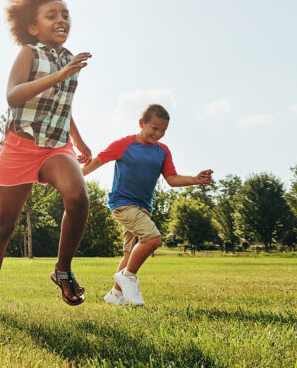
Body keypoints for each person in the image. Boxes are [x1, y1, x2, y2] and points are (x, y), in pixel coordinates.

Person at [0, 0, 93, 313]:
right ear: (34, 27)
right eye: (52, 15)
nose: (62, 19)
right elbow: (13, 96)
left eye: (65, 15)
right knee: (5, 223)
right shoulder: (30, 53)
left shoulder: (69, 59)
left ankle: (63, 269)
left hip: (56, 147)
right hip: (20, 146)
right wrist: (59, 75)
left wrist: (81, 140)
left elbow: (60, 105)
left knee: (77, 197)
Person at [82, 104, 213, 306]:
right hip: (122, 204)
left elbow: (171, 178)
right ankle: (128, 277)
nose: (159, 134)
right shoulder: (123, 144)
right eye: (154, 128)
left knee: (130, 252)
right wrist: (70, 177)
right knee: (153, 239)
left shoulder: (163, 151)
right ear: (141, 123)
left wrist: (195, 179)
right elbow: (97, 162)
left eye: (163, 130)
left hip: (144, 208)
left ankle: (115, 296)